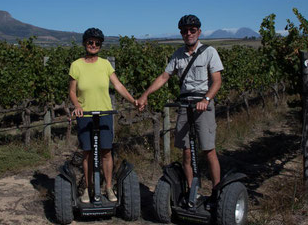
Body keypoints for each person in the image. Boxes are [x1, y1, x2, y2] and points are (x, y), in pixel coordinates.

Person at [137, 14, 223, 195]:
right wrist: (145, 94)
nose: (189, 33)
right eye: (185, 31)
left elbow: (216, 81)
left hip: (203, 105)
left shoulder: (209, 52)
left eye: (192, 30)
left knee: (208, 150)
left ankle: (217, 191)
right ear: (181, 34)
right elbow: (164, 77)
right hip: (185, 105)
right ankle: (192, 190)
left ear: (199, 31)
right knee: (186, 151)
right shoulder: (177, 55)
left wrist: (206, 99)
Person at [69, 27, 137, 203]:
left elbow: (118, 86)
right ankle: (88, 187)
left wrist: (133, 101)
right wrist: (77, 106)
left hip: (105, 113)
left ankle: (108, 187)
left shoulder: (105, 64)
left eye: (97, 43)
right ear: (85, 43)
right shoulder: (76, 65)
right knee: (88, 152)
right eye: (90, 42)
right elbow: (72, 91)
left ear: (100, 45)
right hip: (85, 114)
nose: (93, 45)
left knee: (106, 151)